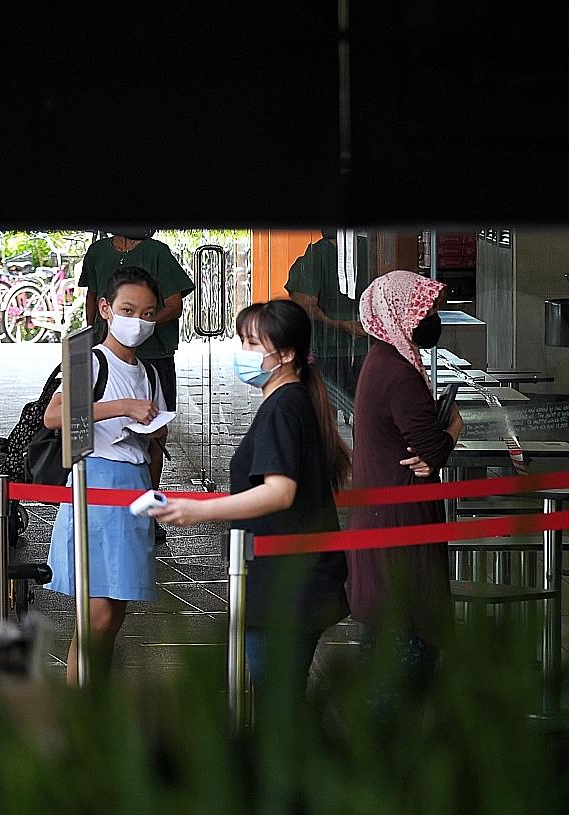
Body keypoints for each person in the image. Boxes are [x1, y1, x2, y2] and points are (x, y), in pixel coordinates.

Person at [149, 299, 350, 690]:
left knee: (278, 700)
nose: (244, 354)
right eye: (243, 341)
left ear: (286, 354)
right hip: (292, 581)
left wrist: (199, 511)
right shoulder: (291, 401)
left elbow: (279, 492)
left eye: (254, 344)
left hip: (286, 588)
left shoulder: (283, 408)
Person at [43, 267, 169, 684]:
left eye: (149, 313)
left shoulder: (149, 372)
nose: (139, 321)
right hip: (96, 485)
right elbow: (54, 416)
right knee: (95, 610)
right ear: (105, 309)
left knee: (115, 611)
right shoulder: (90, 360)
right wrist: (123, 409)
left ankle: (93, 694)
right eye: (129, 309)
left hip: (133, 488)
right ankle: (82, 703)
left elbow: (154, 442)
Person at [345, 270, 464, 698]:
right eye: (424, 310)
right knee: (405, 649)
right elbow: (431, 453)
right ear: (400, 314)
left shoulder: (382, 361)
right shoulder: (398, 373)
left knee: (384, 641)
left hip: (384, 518)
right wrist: (455, 427)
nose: (432, 317)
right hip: (401, 525)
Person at [77, 230, 194, 538]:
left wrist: (142, 325)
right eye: (127, 310)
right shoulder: (98, 251)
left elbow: (174, 303)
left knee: (155, 435)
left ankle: (149, 506)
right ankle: (96, 502)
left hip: (153, 356)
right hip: (107, 349)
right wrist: (95, 333)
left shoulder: (158, 252)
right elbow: (91, 294)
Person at [285, 229, 375, 414]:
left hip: (335, 352)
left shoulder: (317, 255)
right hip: (350, 349)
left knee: (327, 417)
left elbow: (303, 303)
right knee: (365, 415)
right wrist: (341, 324)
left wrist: (336, 323)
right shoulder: (373, 250)